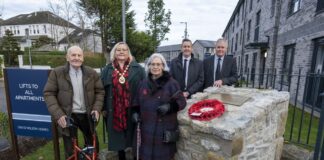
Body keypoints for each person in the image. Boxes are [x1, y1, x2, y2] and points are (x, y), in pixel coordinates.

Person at [43, 46, 104, 158]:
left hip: (87, 114)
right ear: (67, 57)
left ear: (83, 58)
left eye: (79, 55)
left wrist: (96, 108)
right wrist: (59, 115)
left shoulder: (92, 73)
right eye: (73, 55)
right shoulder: (57, 73)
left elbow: (100, 91)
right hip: (68, 115)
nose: (76, 58)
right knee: (70, 150)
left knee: (93, 147)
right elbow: (48, 94)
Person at [132, 53, 186, 160]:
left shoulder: (171, 83)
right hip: (146, 128)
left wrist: (170, 107)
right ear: (149, 66)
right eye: (153, 64)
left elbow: (182, 101)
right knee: (145, 156)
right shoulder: (143, 83)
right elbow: (136, 102)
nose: (155, 67)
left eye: (158, 64)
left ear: (163, 66)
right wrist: (135, 113)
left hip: (163, 129)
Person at [101, 42, 145, 160]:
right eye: (118, 50)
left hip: (133, 108)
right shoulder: (107, 70)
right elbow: (101, 90)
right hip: (114, 109)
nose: (121, 52)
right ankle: (121, 157)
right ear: (114, 53)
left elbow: (145, 88)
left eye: (124, 50)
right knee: (118, 137)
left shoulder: (138, 69)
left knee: (134, 135)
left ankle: (136, 156)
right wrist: (103, 108)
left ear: (128, 53)